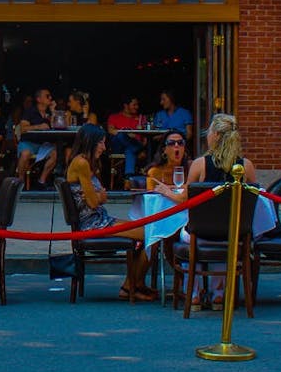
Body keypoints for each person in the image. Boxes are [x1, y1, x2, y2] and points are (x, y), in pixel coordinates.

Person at [65, 124, 154, 301]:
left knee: (149, 230)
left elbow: (99, 198)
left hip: (100, 218)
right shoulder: (81, 163)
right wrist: (99, 196)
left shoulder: (86, 162)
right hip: (92, 224)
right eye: (102, 143)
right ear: (90, 142)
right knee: (151, 234)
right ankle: (130, 286)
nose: (104, 148)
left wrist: (99, 196)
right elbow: (93, 202)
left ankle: (135, 283)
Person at [180, 113, 258, 310]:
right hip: (234, 233)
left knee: (184, 235)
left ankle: (195, 293)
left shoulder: (199, 164)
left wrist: (164, 191)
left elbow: (186, 198)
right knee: (225, 237)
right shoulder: (246, 166)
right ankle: (219, 295)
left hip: (201, 232)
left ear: (214, 135)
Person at [16, 88, 58, 190]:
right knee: (25, 154)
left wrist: (53, 112)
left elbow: (54, 127)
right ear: (39, 99)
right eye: (47, 96)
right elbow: (22, 128)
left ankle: (41, 180)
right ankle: (20, 182)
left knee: (54, 154)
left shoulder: (49, 112)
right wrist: (38, 126)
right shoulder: (30, 111)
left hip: (43, 144)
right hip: (28, 142)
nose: (50, 98)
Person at [106, 95, 146, 183]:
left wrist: (135, 135)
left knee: (129, 150)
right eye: (134, 105)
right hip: (119, 147)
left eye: (137, 105)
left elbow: (145, 137)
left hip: (135, 144)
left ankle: (128, 179)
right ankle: (136, 149)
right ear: (126, 106)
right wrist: (126, 134)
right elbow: (110, 130)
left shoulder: (141, 119)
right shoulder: (114, 117)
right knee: (121, 135)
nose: (137, 107)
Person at [145, 129, 191, 204]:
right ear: (164, 150)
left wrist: (168, 189)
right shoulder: (154, 172)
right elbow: (151, 200)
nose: (176, 146)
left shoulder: (192, 169)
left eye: (180, 143)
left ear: (184, 149)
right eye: (171, 143)